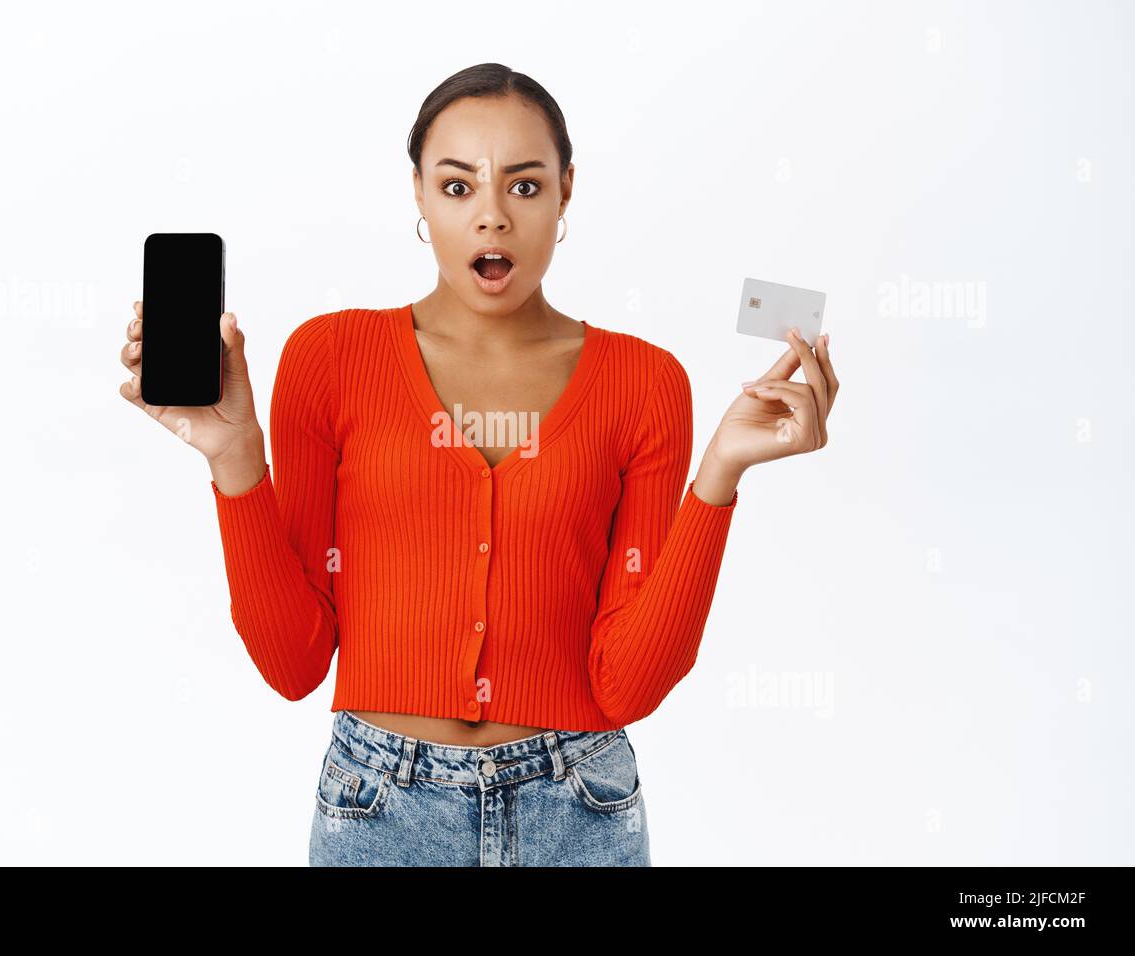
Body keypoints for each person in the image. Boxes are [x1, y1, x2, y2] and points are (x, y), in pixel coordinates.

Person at [118, 63, 839, 866]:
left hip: (581, 807)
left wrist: (719, 476)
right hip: (378, 811)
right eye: (458, 188)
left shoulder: (645, 382)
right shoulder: (331, 358)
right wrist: (236, 457)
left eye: (524, 188)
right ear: (419, 196)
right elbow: (292, 663)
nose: (491, 217)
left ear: (567, 192)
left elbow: (627, 685)